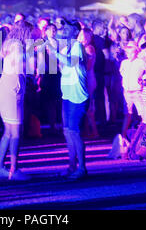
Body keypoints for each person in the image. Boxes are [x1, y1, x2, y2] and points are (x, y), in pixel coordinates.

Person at [47, 20, 89, 180]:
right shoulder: (66, 47)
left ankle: (82, 168)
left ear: (76, 31)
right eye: (64, 27)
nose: (64, 30)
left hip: (78, 96)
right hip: (67, 95)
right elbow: (63, 67)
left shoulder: (78, 45)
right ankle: (71, 166)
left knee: (74, 132)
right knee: (67, 132)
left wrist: (55, 53)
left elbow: (72, 62)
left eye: (68, 28)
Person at [0, 20, 34, 181]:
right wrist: (21, 83)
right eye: (30, 32)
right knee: (16, 133)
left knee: (8, 132)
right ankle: (14, 170)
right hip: (13, 87)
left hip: (4, 86)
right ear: (25, 32)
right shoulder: (18, 45)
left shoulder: (8, 42)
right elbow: (18, 67)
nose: (32, 35)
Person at [119, 41, 145, 139]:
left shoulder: (140, 62)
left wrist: (142, 79)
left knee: (142, 114)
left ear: (137, 52)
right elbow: (122, 73)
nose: (130, 55)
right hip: (127, 92)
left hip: (137, 92)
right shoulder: (124, 63)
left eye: (132, 52)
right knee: (127, 113)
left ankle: (145, 134)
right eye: (128, 53)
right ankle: (124, 135)